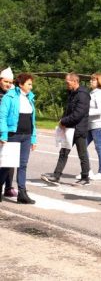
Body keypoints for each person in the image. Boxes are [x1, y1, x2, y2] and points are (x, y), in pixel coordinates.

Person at [40, 73, 91, 185]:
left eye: (67, 82)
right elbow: (68, 110)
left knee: (82, 154)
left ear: (75, 81)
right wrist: (62, 121)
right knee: (63, 152)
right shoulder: (72, 93)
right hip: (69, 129)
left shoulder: (83, 95)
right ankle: (56, 176)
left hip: (79, 130)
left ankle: (85, 178)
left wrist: (64, 121)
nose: (66, 84)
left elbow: (78, 114)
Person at [0, 73, 37, 204]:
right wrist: (3, 134)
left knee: (23, 165)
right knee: (8, 164)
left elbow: (32, 120)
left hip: (26, 136)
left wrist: (33, 138)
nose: (31, 87)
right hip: (13, 135)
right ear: (21, 84)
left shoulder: (30, 98)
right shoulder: (9, 97)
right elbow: (2, 117)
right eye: (29, 84)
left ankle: (22, 194)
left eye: (31, 84)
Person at [75, 73, 101, 181]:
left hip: (98, 124)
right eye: (91, 80)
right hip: (89, 124)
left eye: (93, 80)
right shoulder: (92, 93)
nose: (91, 81)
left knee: (99, 148)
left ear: (99, 81)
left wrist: (85, 112)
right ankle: (87, 171)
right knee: (82, 147)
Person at [0, 67, 18, 198]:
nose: (8, 84)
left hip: (9, 131)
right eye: (6, 81)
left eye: (10, 82)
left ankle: (9, 187)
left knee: (10, 160)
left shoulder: (12, 95)